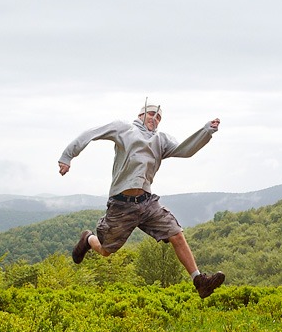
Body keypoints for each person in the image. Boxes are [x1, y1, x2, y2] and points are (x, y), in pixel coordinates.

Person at [58, 102, 226, 298]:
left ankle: (199, 281)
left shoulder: (160, 140)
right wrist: (67, 156)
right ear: (141, 114)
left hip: (147, 203)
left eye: (158, 117)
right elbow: (92, 133)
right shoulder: (124, 129)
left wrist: (206, 131)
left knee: (176, 233)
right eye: (151, 114)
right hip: (121, 204)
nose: (154, 119)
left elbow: (184, 150)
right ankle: (88, 239)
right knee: (105, 251)